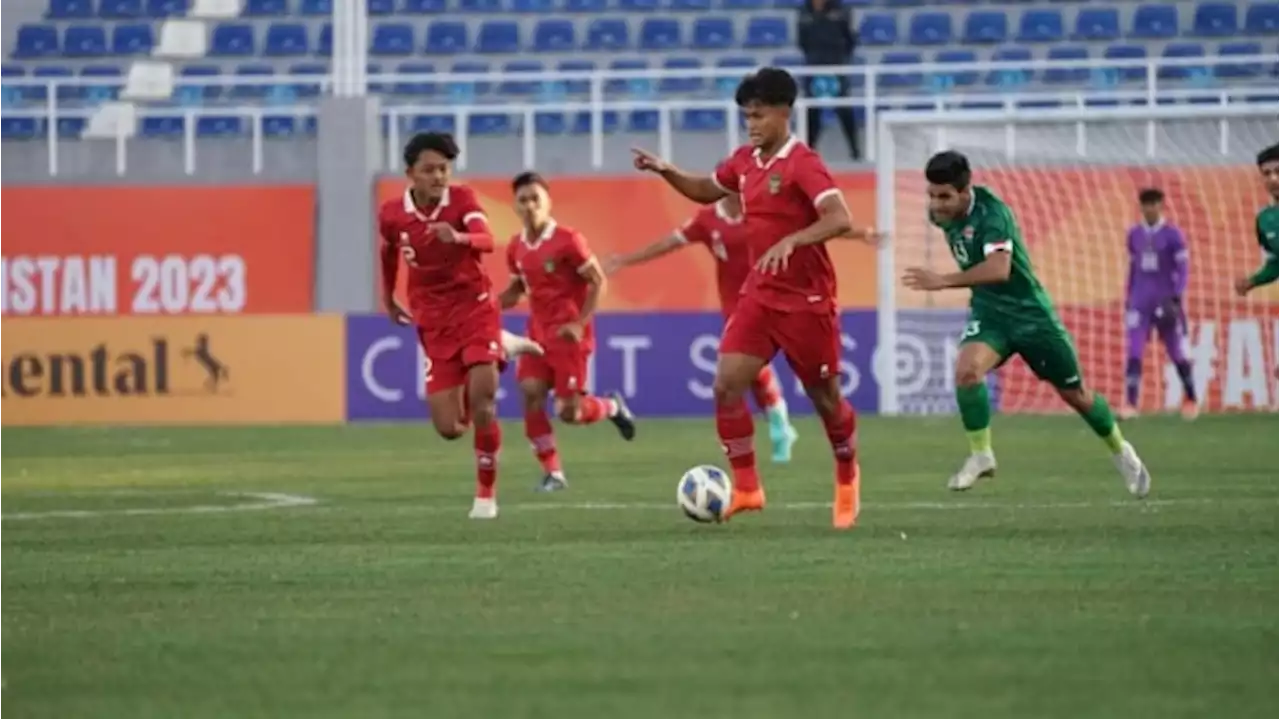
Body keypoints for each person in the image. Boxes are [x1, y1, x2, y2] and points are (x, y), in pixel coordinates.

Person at [632, 67, 881, 530]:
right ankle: (747, 487)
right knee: (727, 384)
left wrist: (795, 240)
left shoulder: (803, 162)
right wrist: (667, 171)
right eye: (747, 115)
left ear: (784, 113)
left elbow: (839, 217)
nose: (751, 124)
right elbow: (707, 189)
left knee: (825, 399)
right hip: (760, 296)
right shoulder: (745, 161)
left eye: (759, 115)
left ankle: (847, 474)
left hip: (807, 301)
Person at [902, 150, 1151, 498]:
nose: (937, 205)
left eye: (944, 197)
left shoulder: (993, 215)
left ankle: (1122, 451)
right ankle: (981, 454)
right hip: (990, 315)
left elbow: (1000, 270)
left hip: (1031, 316)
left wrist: (943, 280)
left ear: (965, 190)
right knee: (967, 371)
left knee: (1075, 395)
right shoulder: (941, 215)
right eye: (931, 195)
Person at [378, 132, 542, 521]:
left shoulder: (462, 200)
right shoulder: (392, 214)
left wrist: (459, 238)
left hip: (475, 309)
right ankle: (503, 345)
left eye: (444, 169)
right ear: (410, 174)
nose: (438, 177)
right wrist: (387, 297)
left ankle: (486, 496)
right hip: (433, 321)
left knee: (484, 397)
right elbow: (387, 251)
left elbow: (486, 240)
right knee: (450, 427)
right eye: (429, 170)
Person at [603, 194, 800, 464]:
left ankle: (776, 426)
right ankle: (780, 425)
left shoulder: (762, 212)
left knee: (748, 363)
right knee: (748, 369)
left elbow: (801, 231)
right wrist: (626, 260)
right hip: (733, 305)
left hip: (764, 298)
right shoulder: (708, 219)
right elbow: (668, 243)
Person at [498, 172, 637, 493]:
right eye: (523, 200)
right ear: (515, 207)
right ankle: (553, 473)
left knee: (569, 412)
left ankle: (612, 407)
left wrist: (579, 322)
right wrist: (488, 306)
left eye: (536, 198)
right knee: (530, 394)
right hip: (536, 333)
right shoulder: (516, 247)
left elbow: (598, 281)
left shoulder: (568, 240)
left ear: (548, 202)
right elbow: (518, 289)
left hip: (569, 335)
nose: (530, 205)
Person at [1120, 188, 1197, 421]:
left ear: (1161, 206)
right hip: (1139, 303)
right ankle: (1131, 404)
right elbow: (1133, 269)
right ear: (1141, 207)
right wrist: (1128, 297)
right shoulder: (1134, 234)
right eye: (1145, 204)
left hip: (1165, 302)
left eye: (1153, 204)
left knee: (1176, 352)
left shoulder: (1173, 235)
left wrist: (1176, 295)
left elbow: (1182, 269)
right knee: (1134, 351)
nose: (1149, 208)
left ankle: (1191, 399)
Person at [797, 0, 859, 160]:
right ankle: (808, 151)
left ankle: (855, 151)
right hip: (814, 67)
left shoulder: (841, 11)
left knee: (844, 110)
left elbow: (850, 39)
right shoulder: (804, 13)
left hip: (836, 66)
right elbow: (802, 41)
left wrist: (838, 58)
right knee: (812, 111)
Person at [1233, 144, 1280, 298]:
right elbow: (1276, 262)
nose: (1273, 179)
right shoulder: (1264, 219)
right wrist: (1252, 281)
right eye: (1267, 173)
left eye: (1278, 171)